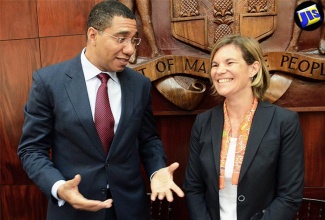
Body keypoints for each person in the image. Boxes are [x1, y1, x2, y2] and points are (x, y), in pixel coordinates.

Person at [17, 1, 184, 220]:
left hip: (130, 210)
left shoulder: (139, 85)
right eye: (121, 38)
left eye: (134, 40)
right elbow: (32, 149)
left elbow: (148, 140)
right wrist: (58, 186)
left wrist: (157, 169)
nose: (131, 50)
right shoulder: (49, 82)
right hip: (74, 210)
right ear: (93, 35)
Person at [183, 34, 304, 220]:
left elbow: (289, 196)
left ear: (253, 68)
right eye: (215, 65)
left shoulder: (284, 122)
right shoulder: (203, 122)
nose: (219, 70)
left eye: (229, 63)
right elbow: (193, 187)